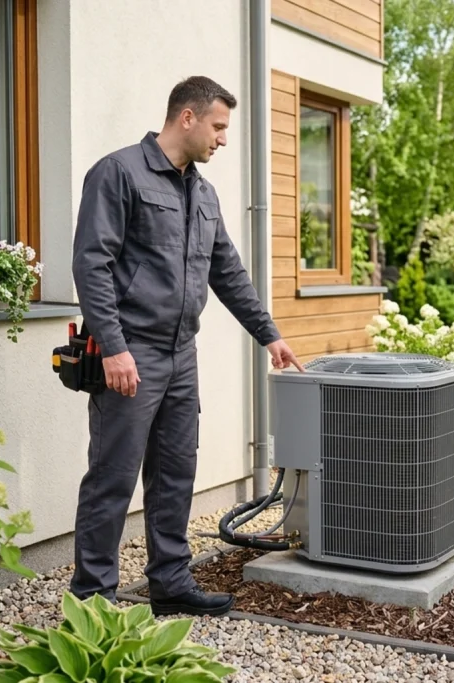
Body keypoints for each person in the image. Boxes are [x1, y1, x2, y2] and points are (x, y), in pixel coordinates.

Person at [70, 76, 303, 618]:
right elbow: (92, 265)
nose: (223, 138)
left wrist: (269, 334)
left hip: (181, 355)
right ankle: (93, 601)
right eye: (219, 126)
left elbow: (227, 271)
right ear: (188, 118)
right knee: (112, 478)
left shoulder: (202, 192)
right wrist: (114, 347)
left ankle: (170, 583)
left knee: (176, 473)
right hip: (131, 351)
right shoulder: (119, 172)